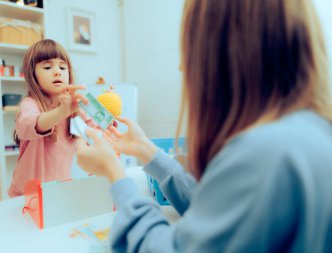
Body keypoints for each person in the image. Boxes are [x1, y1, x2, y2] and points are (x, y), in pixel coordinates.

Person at [76, 0, 332, 252]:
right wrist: (145, 150)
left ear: (225, 54)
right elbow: (220, 211)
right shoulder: (309, 131)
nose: (181, 66)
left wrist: (114, 172)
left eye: (191, 47)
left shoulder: (263, 153)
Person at [8, 39, 92, 197]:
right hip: (28, 193)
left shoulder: (73, 108)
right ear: (33, 75)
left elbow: (93, 128)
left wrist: (109, 117)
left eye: (62, 67)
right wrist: (61, 111)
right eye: (47, 67)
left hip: (59, 188)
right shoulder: (30, 104)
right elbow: (28, 125)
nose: (57, 72)